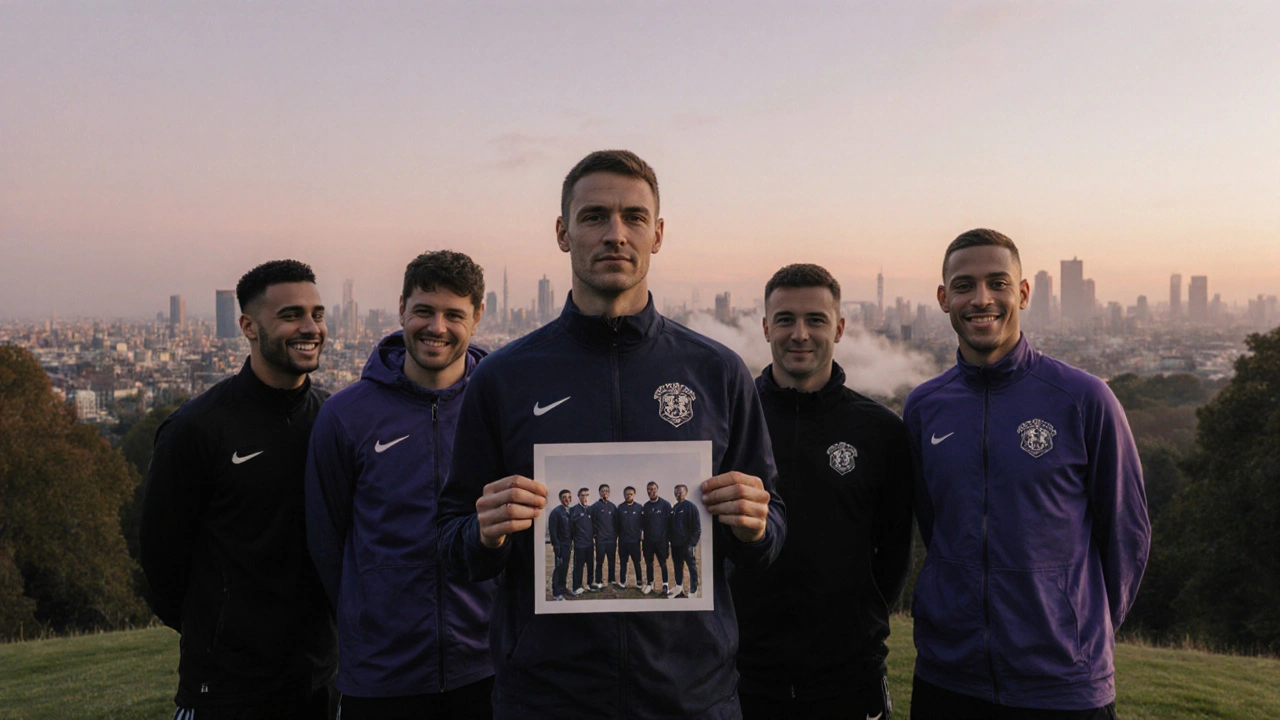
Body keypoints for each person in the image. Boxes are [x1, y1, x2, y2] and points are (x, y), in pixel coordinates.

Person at [437, 149, 786, 718]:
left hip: (690, 698)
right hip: (547, 700)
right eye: (595, 216)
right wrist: (484, 531)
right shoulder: (503, 378)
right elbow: (452, 543)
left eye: (634, 218)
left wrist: (756, 526)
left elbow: (773, 535)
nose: (615, 234)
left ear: (658, 234)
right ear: (563, 233)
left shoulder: (716, 372)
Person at [904, 229, 1150, 719]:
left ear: (1022, 292)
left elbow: (1127, 532)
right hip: (948, 675)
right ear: (943, 298)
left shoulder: (1084, 399)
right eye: (964, 285)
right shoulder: (925, 407)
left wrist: (1080, 628)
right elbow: (937, 527)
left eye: (998, 283)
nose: (982, 299)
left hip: (1063, 683)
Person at [139, 260, 337, 719]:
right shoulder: (197, 429)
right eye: (291, 315)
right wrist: (223, 632)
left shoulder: (334, 419)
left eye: (318, 314)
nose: (311, 328)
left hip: (321, 681)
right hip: (226, 691)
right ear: (247, 326)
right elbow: (161, 563)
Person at [304, 250, 496, 719]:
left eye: (454, 314)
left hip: (488, 663)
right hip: (381, 671)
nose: (437, 327)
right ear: (401, 310)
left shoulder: (501, 405)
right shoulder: (346, 415)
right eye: (424, 311)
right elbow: (327, 543)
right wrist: (368, 611)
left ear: (478, 317)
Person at [731, 263, 914, 719]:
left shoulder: (881, 431)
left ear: (841, 328)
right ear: (766, 326)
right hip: (741, 675)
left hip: (848, 677)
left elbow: (893, 558)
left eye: (816, 320)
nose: (800, 334)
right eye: (786, 320)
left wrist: (856, 622)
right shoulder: (730, 423)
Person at [668, 484, 701, 598]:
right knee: (677, 566)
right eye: (676, 493)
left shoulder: (690, 507)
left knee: (692, 567)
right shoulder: (675, 508)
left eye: (680, 492)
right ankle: (678, 587)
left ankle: (693, 591)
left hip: (686, 544)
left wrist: (692, 543)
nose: (678, 495)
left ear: (685, 493)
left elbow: (697, 527)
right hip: (675, 544)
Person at [640, 481, 673, 596]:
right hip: (648, 541)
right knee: (649, 563)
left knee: (663, 563)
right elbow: (643, 524)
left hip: (661, 540)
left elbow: (670, 523)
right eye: (649, 489)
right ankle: (650, 583)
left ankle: (665, 585)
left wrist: (669, 539)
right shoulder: (646, 506)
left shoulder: (665, 505)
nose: (651, 491)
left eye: (653, 489)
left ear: (657, 489)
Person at [590, 484, 620, 589]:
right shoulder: (594, 507)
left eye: (607, 491)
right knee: (599, 561)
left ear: (609, 492)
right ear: (599, 492)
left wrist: (616, 535)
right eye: (603, 491)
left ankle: (611, 579)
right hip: (600, 539)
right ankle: (598, 580)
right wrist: (595, 534)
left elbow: (617, 522)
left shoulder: (613, 507)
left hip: (611, 539)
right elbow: (591, 521)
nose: (605, 493)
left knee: (612, 560)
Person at [616, 485, 644, 589]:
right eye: (627, 494)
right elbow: (617, 524)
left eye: (631, 494)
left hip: (635, 541)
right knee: (623, 562)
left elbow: (642, 524)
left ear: (634, 495)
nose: (629, 496)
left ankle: (639, 582)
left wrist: (641, 535)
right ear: (624, 495)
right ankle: (622, 582)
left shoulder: (639, 507)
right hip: (623, 541)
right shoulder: (620, 508)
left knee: (637, 562)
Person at [548, 490, 573, 600]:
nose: (567, 499)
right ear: (560, 499)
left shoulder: (570, 512)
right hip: (560, 545)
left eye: (569, 497)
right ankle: (556, 592)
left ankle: (563, 588)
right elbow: (553, 531)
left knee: (565, 567)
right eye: (564, 497)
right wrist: (556, 545)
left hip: (568, 545)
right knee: (559, 567)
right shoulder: (556, 512)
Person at [569, 487, 594, 595]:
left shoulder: (591, 510)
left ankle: (589, 584)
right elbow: (571, 528)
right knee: (579, 566)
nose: (585, 497)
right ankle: (576, 587)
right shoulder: (573, 510)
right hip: (579, 544)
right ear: (579, 497)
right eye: (582, 495)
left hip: (590, 544)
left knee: (590, 565)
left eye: (587, 495)